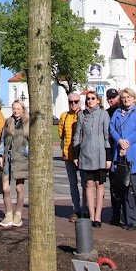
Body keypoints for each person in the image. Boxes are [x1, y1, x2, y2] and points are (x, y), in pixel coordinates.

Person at [109, 88, 136, 230]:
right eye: (124, 97)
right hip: (120, 154)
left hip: (134, 154)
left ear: (134, 97)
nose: (126, 99)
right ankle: (127, 218)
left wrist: (127, 142)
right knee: (124, 187)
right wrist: (119, 141)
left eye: (128, 97)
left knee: (135, 189)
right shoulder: (118, 113)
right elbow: (112, 128)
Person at [72, 90, 111, 227]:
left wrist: (108, 157)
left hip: (100, 154)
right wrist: (76, 155)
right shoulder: (82, 115)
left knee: (99, 185)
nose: (90, 101)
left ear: (98, 100)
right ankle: (91, 214)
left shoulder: (103, 114)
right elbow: (77, 135)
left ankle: (98, 217)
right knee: (88, 184)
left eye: (93, 98)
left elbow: (107, 136)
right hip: (86, 154)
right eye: (88, 98)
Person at [0, 100, 29, 228]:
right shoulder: (8, 122)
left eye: (18, 109)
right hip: (8, 158)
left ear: (22, 109)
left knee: (19, 188)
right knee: (5, 187)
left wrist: (27, 153)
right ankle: (8, 214)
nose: (16, 111)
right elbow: (2, 140)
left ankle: (18, 214)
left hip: (20, 158)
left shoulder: (27, 123)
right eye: (14, 108)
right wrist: (0, 155)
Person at [58, 92, 83, 221]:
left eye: (76, 102)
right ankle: (76, 209)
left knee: (85, 184)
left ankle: (86, 209)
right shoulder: (64, 116)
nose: (73, 104)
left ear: (80, 102)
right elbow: (61, 134)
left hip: (83, 156)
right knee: (73, 184)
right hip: (69, 155)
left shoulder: (83, 116)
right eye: (71, 102)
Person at [106, 88, 123, 226]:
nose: (112, 100)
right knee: (114, 186)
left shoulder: (124, 111)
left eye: (114, 97)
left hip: (124, 151)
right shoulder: (107, 113)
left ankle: (127, 213)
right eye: (109, 98)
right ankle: (116, 214)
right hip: (112, 152)